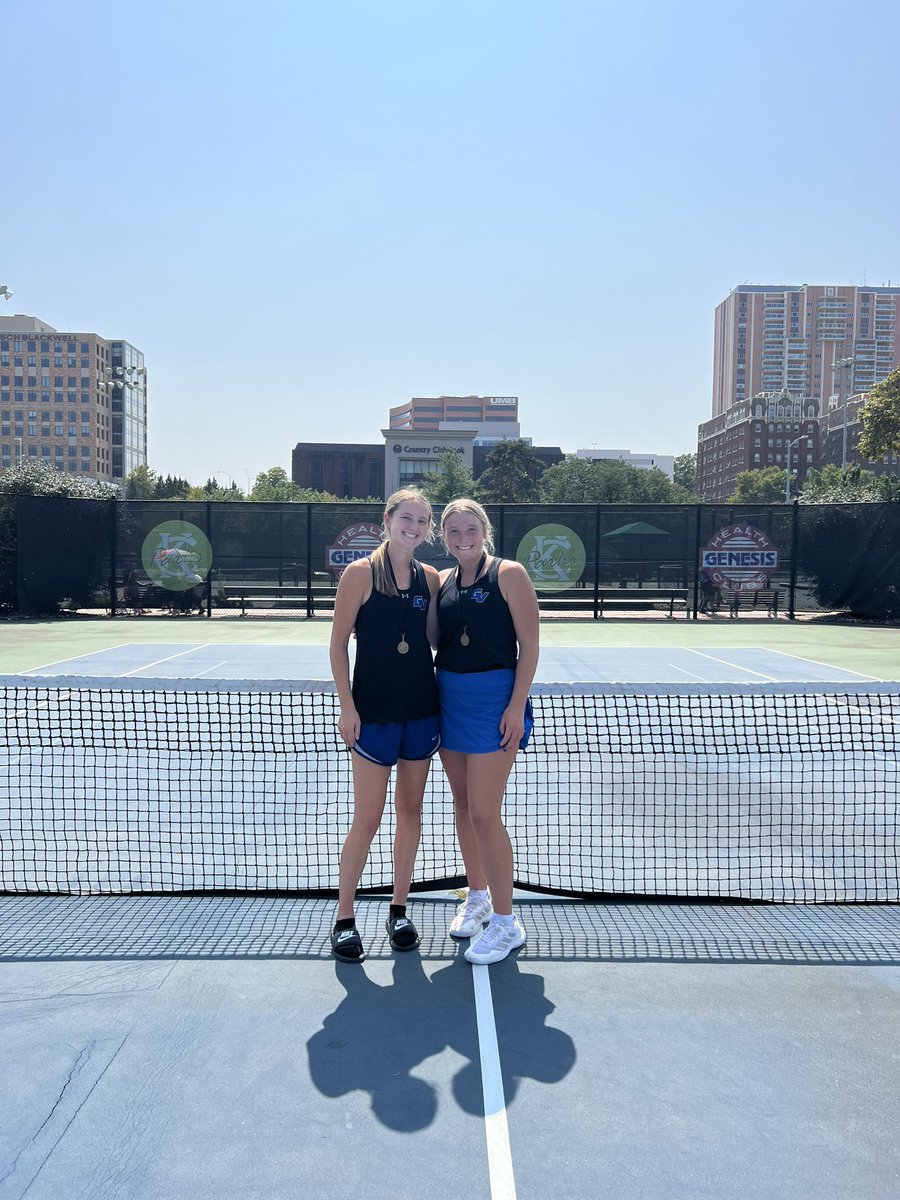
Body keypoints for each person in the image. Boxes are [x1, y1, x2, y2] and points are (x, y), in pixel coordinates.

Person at [328, 488, 441, 963]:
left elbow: (434, 640)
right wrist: (348, 707)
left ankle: (399, 909)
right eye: (406, 518)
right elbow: (337, 648)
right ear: (388, 520)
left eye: (422, 521)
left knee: (410, 814)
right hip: (372, 714)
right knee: (368, 819)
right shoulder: (358, 574)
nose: (413, 527)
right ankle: (344, 917)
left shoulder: (431, 578)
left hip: (420, 711)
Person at [435, 499, 540, 965]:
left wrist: (516, 706)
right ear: (444, 536)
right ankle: (476, 895)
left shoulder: (508, 573)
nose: (463, 537)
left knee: (483, 812)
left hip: (495, 702)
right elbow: (435, 639)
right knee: (462, 807)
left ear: (484, 530)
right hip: (448, 699)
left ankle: (505, 922)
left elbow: (530, 645)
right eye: (453, 530)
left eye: (470, 528)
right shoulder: (443, 581)